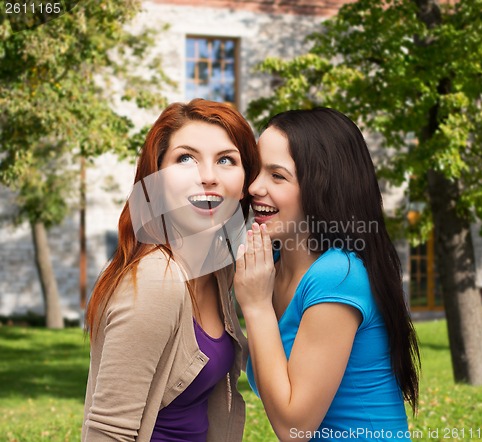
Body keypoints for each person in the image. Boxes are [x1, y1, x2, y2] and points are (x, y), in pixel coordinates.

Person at [234, 108, 420, 442]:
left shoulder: (339, 275)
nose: (254, 187)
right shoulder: (269, 266)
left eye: (277, 176)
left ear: (323, 187)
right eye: (256, 170)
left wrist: (257, 306)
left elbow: (295, 428)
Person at [82, 98, 259, 442]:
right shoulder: (155, 280)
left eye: (226, 160)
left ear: (243, 184)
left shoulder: (218, 269)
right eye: (186, 159)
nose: (208, 176)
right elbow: (108, 432)